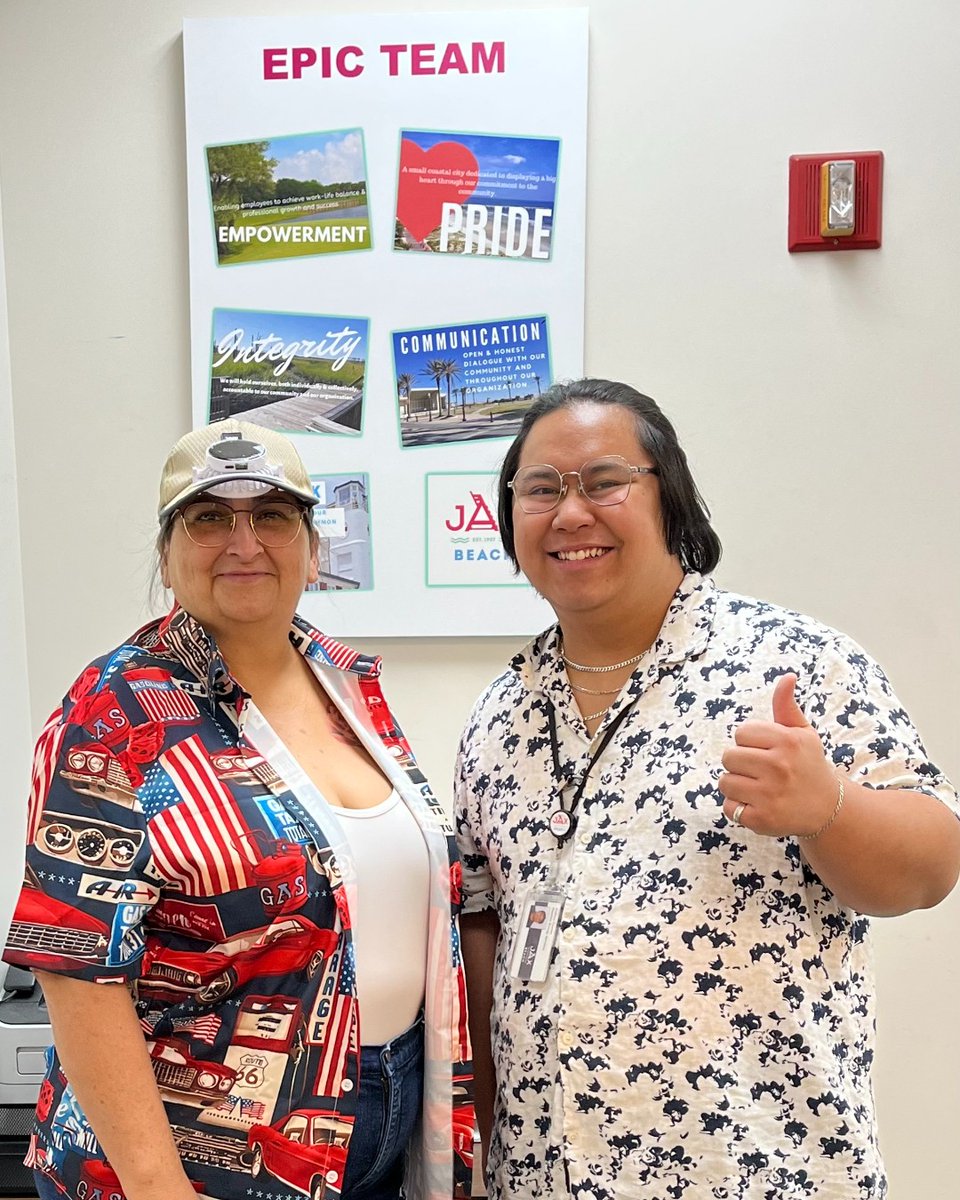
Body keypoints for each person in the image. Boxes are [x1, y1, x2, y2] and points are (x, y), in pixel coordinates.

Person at [456, 378, 960, 1200]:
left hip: (755, 1172)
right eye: (541, 489)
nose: (570, 513)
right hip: (542, 1177)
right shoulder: (497, 716)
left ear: (670, 500)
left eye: (604, 482)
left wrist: (828, 807)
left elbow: (934, 865)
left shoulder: (793, 665)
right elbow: (485, 930)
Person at [4, 420, 473, 1200]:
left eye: (273, 516)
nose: (243, 541)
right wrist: (159, 1188)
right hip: (197, 1153)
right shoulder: (120, 712)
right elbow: (76, 969)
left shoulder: (345, 684)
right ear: (167, 551)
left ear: (314, 547)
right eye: (210, 517)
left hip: (379, 1114)